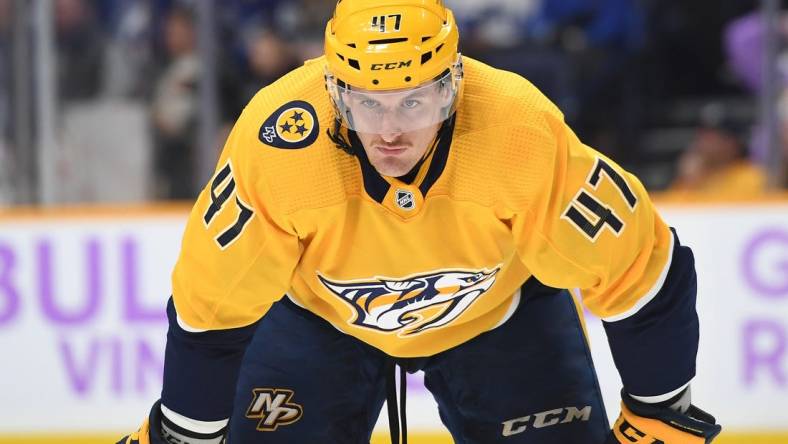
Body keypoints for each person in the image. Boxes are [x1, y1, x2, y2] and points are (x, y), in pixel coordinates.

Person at [119, 1, 722, 443]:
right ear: (334, 93)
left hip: (501, 314)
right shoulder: (280, 145)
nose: (389, 131)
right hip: (314, 316)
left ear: (454, 86)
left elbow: (643, 271)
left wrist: (659, 408)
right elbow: (212, 306)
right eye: (365, 103)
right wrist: (184, 429)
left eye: (415, 101)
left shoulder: (517, 132)